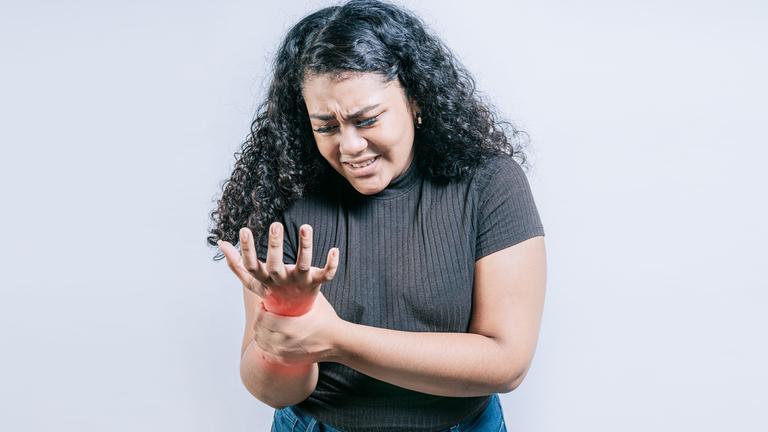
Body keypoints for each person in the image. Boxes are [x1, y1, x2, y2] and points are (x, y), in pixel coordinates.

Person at [208, 0, 547, 430]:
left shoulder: (490, 184)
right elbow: (272, 390)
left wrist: (335, 339)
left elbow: (507, 362)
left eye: (367, 120)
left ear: (416, 101)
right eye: (326, 127)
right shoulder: (285, 195)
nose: (349, 146)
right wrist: (285, 319)